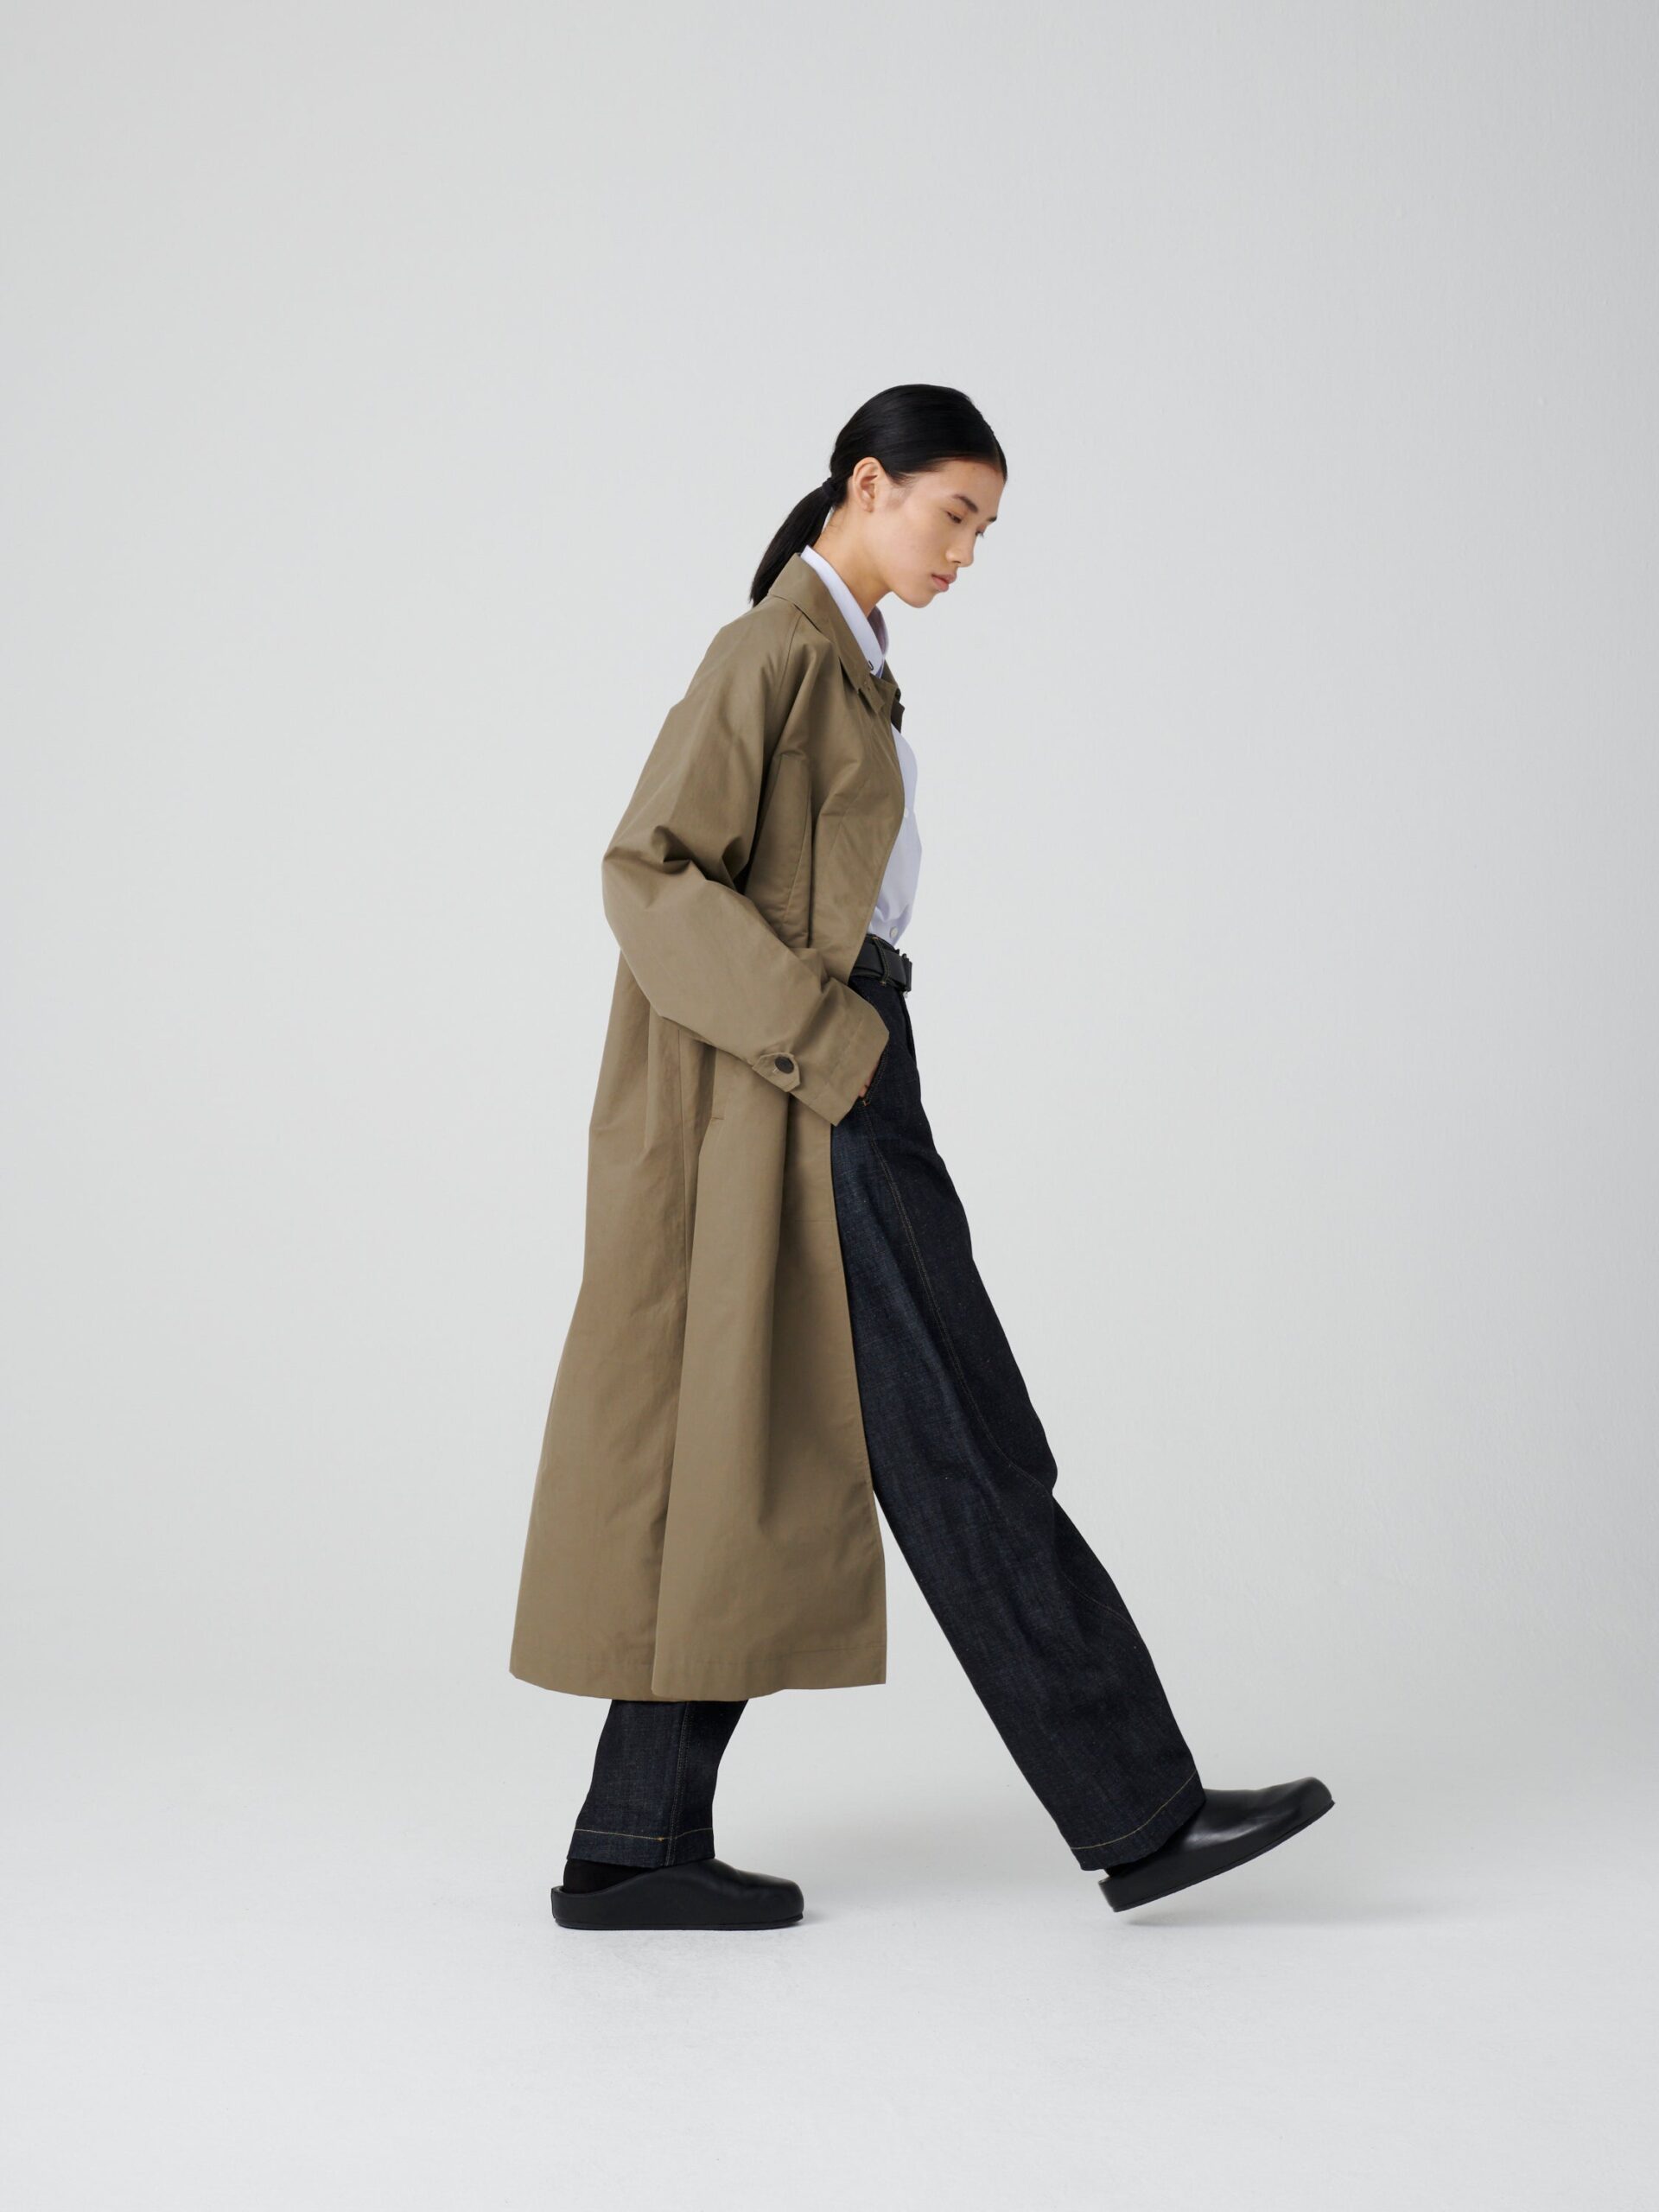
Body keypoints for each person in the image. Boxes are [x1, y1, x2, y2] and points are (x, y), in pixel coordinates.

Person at [509, 383, 1332, 1929]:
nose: (967, 552)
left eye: (986, 530)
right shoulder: (772, 652)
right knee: (957, 1440)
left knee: (793, 1445)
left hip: (835, 1078)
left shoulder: (852, 667)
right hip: (812, 1086)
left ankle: (633, 1842)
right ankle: (1141, 1814)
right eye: (954, 513)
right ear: (866, 485)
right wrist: (830, 1044)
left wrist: (849, 1047)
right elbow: (645, 871)